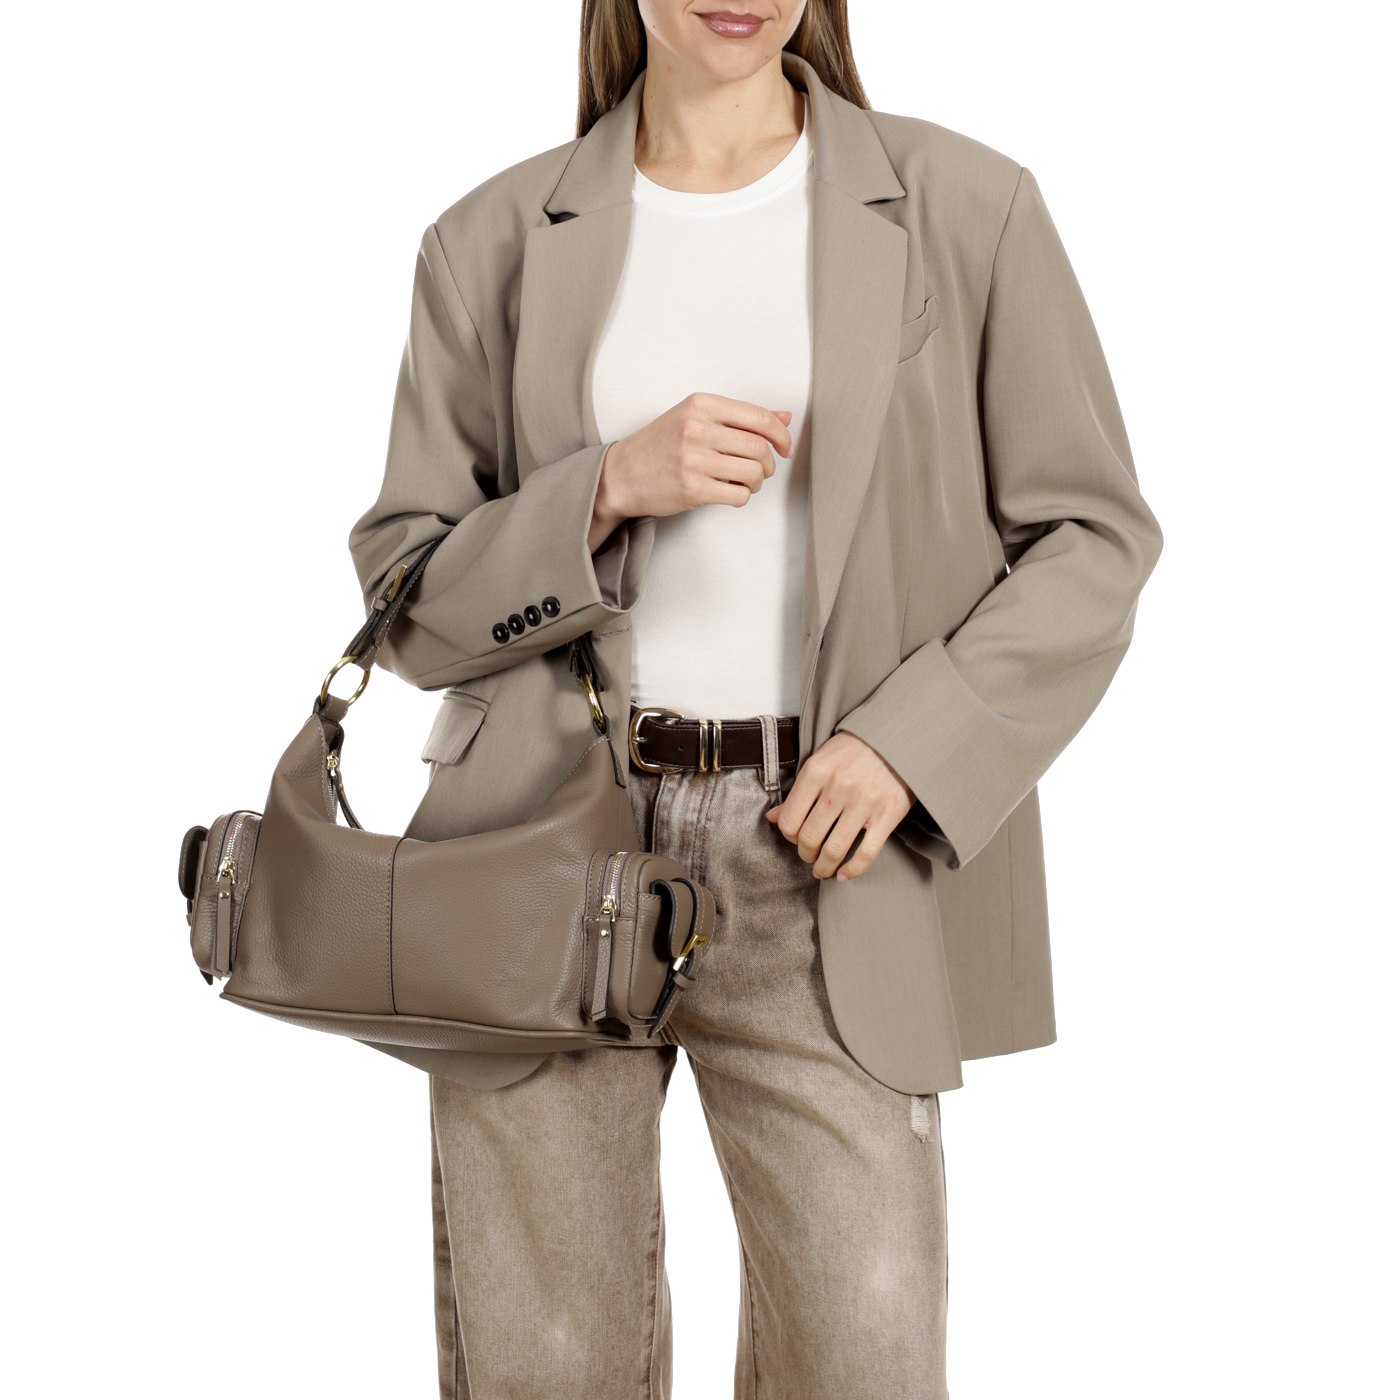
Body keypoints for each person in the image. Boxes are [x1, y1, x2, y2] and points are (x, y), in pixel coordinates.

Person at [349, 2, 1162, 1395]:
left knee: (864, 1354)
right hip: (540, 851)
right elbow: (407, 599)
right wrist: (604, 489)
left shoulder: (967, 205)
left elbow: (1093, 539)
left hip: (826, 851)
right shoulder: (489, 239)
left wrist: (911, 747)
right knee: (546, 1364)